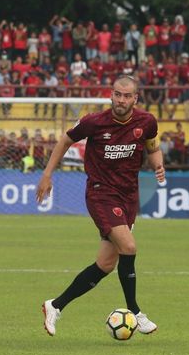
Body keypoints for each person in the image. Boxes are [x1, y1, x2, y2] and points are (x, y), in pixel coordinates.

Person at [36, 75, 164, 337]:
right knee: (129, 247)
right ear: (111, 95)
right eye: (117, 94)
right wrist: (47, 175)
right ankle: (136, 312)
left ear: (135, 99)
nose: (121, 100)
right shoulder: (94, 122)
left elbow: (153, 147)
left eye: (127, 96)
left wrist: (158, 164)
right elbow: (65, 141)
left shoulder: (146, 122)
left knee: (105, 264)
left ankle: (55, 305)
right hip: (101, 193)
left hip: (129, 197)